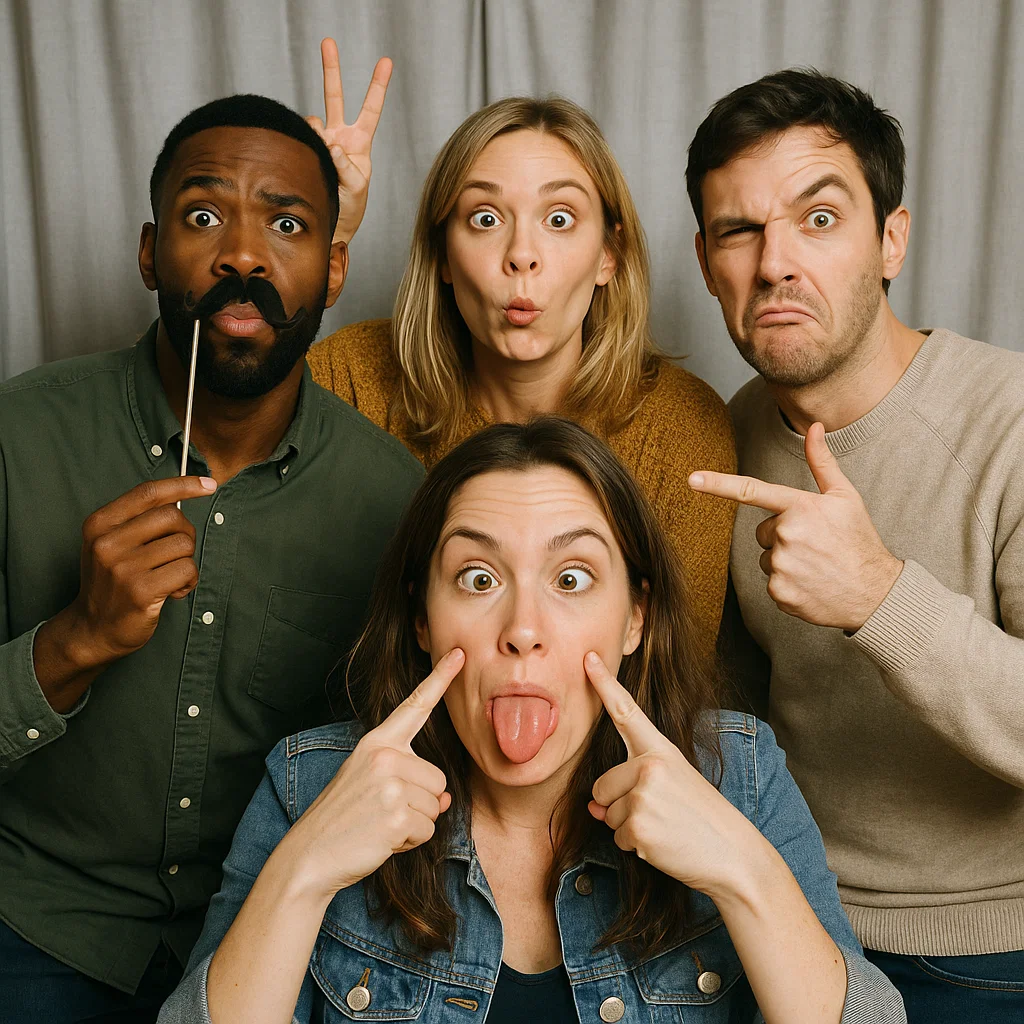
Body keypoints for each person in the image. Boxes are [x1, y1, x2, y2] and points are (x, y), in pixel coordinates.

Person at [158, 417, 905, 1024]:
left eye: (572, 579)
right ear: (422, 618)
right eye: (477, 579)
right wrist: (302, 873)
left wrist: (745, 875)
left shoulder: (739, 776)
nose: (523, 627)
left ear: (636, 617)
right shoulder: (310, 783)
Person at [0, 75, 424, 1020]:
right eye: (203, 216)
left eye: (287, 226)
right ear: (151, 254)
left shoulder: (394, 499)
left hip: (272, 933)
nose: (243, 255)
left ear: (336, 268)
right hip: (35, 920)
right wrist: (75, 639)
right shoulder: (19, 435)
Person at [684, 69, 1024, 1021]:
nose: (776, 263)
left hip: (991, 952)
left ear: (891, 240)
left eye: (819, 219)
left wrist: (880, 595)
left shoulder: (1010, 420)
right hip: (784, 920)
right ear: (707, 263)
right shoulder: (721, 437)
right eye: (739, 232)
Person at [306, 96, 735, 655]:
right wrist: (322, 238)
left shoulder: (683, 428)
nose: (521, 255)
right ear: (441, 254)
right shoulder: (351, 376)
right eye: (485, 219)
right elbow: (213, 412)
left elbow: (672, 677)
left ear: (609, 254)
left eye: (559, 219)